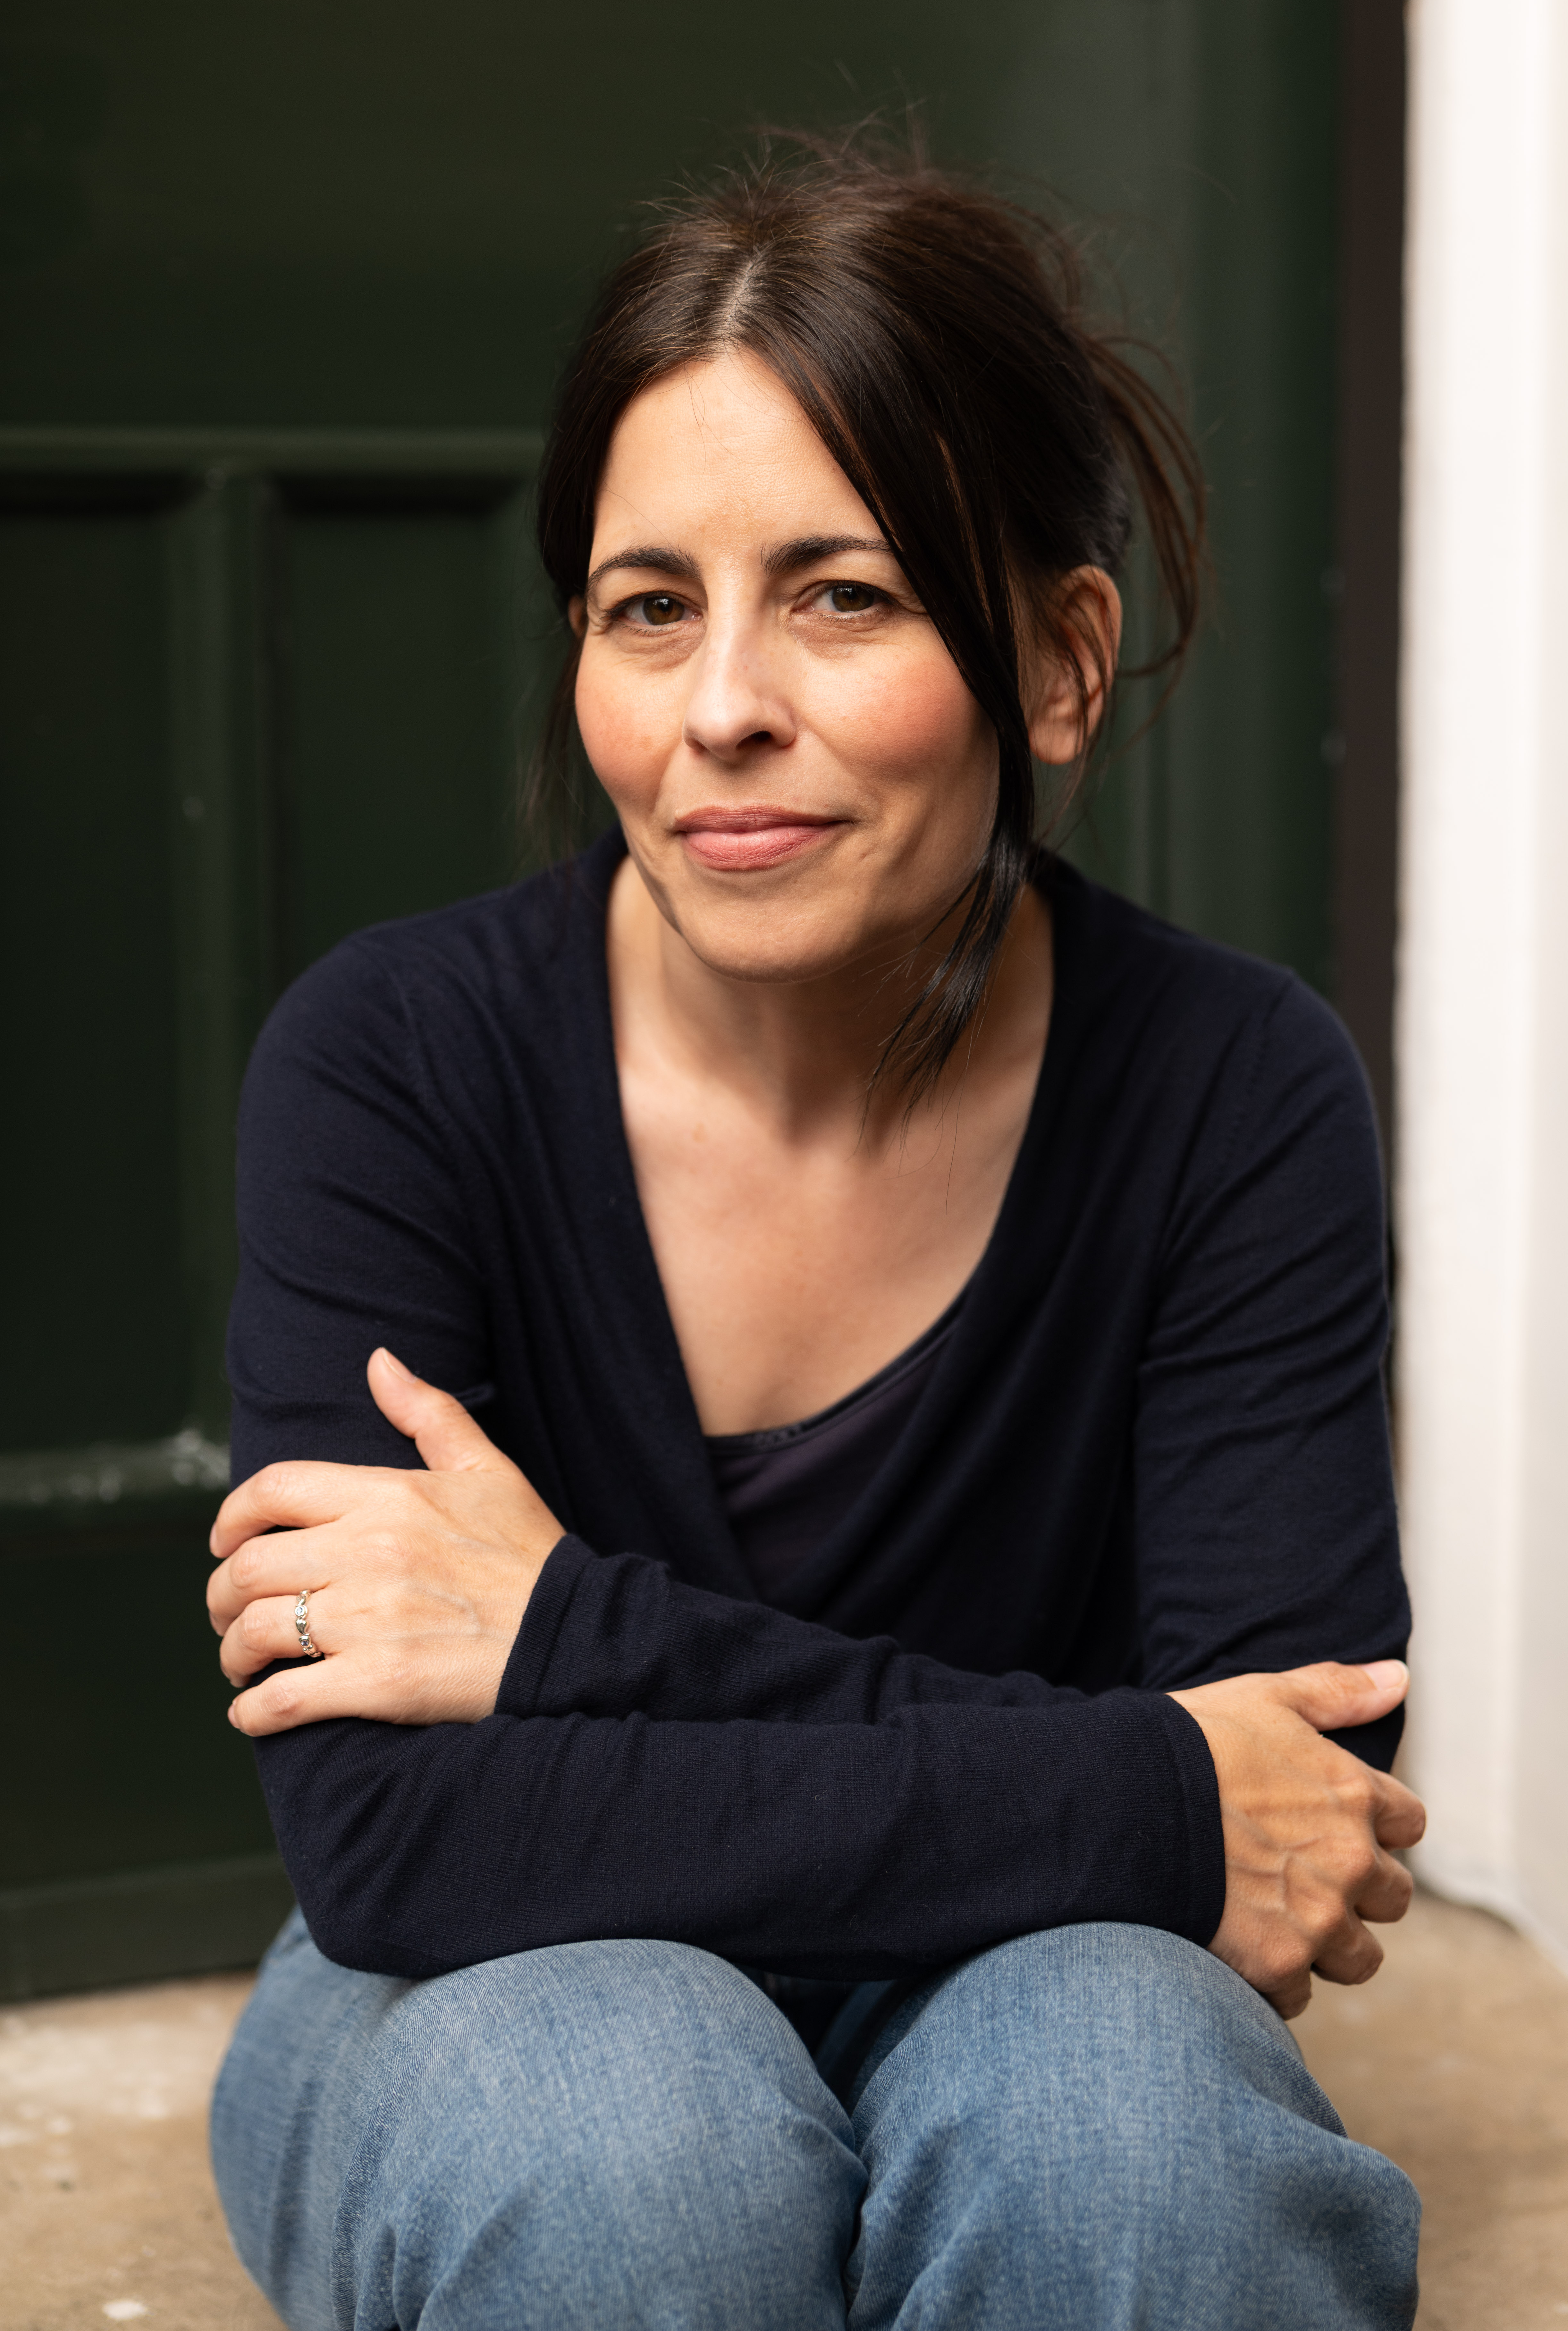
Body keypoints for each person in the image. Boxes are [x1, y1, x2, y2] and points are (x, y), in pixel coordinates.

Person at [205, 145, 1424, 2331]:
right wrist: (1132, 1781)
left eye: (843, 596)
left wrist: (565, 1642)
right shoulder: (391, 1064)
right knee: (626, 2143)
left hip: (1038, 1976)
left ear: (1060, 663)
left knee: (1138, 2141)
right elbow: (395, 1843)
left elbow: (1293, 1808)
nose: (718, 709)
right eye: (648, 604)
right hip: (486, 1999)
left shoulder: (1235, 1090)